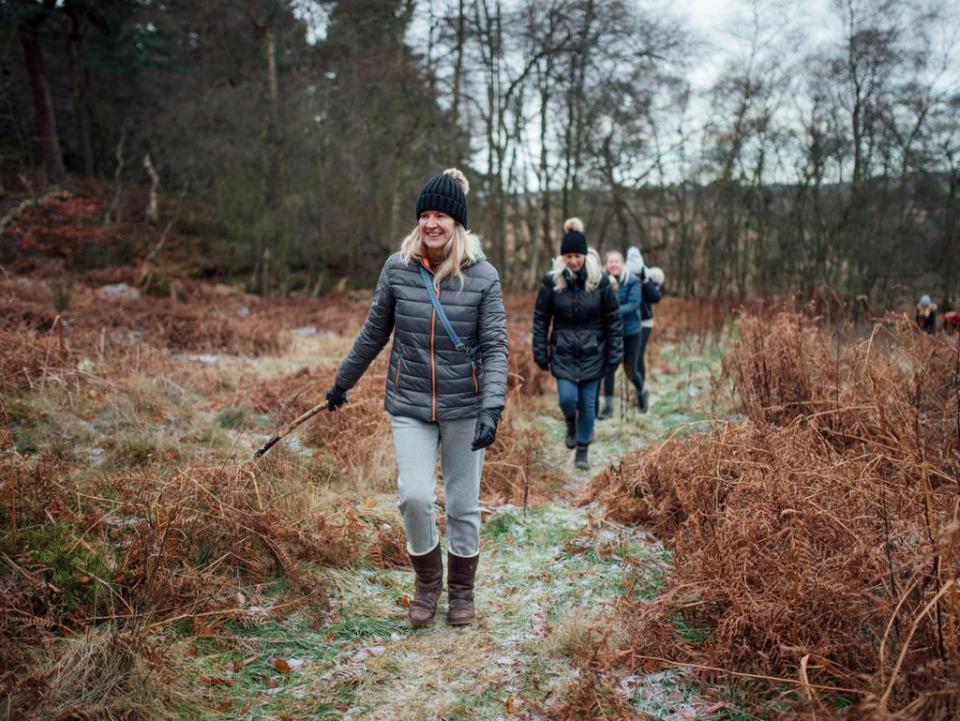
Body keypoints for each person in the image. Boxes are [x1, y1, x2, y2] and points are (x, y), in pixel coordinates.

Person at [325, 168, 508, 629]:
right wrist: (342, 382)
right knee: (413, 496)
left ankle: (462, 592)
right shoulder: (397, 268)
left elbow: (495, 347)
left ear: (457, 223)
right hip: (409, 403)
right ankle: (428, 584)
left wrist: (491, 407)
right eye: (425, 214)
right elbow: (374, 333)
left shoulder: (483, 277)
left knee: (463, 504)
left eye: (441, 215)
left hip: (465, 406)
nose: (431, 223)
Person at [533, 218, 623, 470]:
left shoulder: (600, 282)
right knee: (567, 400)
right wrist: (540, 351)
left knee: (588, 404)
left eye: (577, 256)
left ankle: (582, 448)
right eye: (569, 256)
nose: (573, 261)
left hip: (594, 352)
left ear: (585, 256)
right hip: (562, 351)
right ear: (563, 257)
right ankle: (570, 423)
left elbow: (614, 320)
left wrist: (614, 355)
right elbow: (541, 318)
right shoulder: (552, 282)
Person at [597, 250, 643, 419]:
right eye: (610, 261)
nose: (614, 264)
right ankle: (608, 409)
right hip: (610, 333)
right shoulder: (601, 282)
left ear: (622, 264)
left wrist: (611, 312)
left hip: (631, 332)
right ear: (606, 265)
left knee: (630, 370)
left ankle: (641, 393)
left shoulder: (632, 281)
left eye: (617, 261)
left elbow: (633, 305)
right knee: (608, 369)